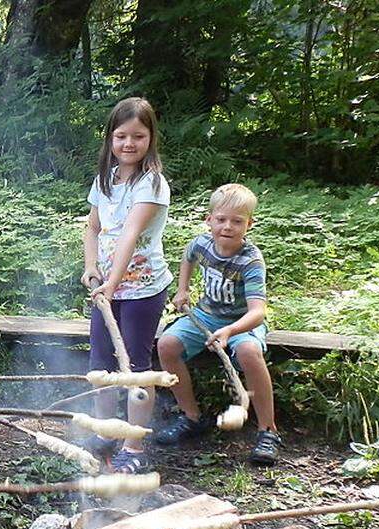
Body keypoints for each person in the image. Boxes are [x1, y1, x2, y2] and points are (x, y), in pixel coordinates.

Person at [154, 183, 282, 465]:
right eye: (221, 219)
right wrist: (183, 289)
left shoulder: (250, 261)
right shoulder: (202, 244)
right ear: (208, 220)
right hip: (205, 315)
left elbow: (257, 312)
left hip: (240, 322)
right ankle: (191, 417)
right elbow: (188, 256)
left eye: (237, 221)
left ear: (249, 224)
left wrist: (230, 331)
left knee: (249, 352)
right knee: (167, 345)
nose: (228, 227)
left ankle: (267, 431)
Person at [81, 97, 172, 475]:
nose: (129, 143)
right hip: (107, 291)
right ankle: (106, 431)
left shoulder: (151, 183)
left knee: (136, 367)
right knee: (100, 362)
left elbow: (131, 235)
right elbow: (93, 227)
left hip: (142, 291)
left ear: (151, 139)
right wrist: (91, 269)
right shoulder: (105, 180)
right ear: (110, 139)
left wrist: (113, 283)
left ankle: (133, 445)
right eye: (121, 136)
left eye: (138, 135)